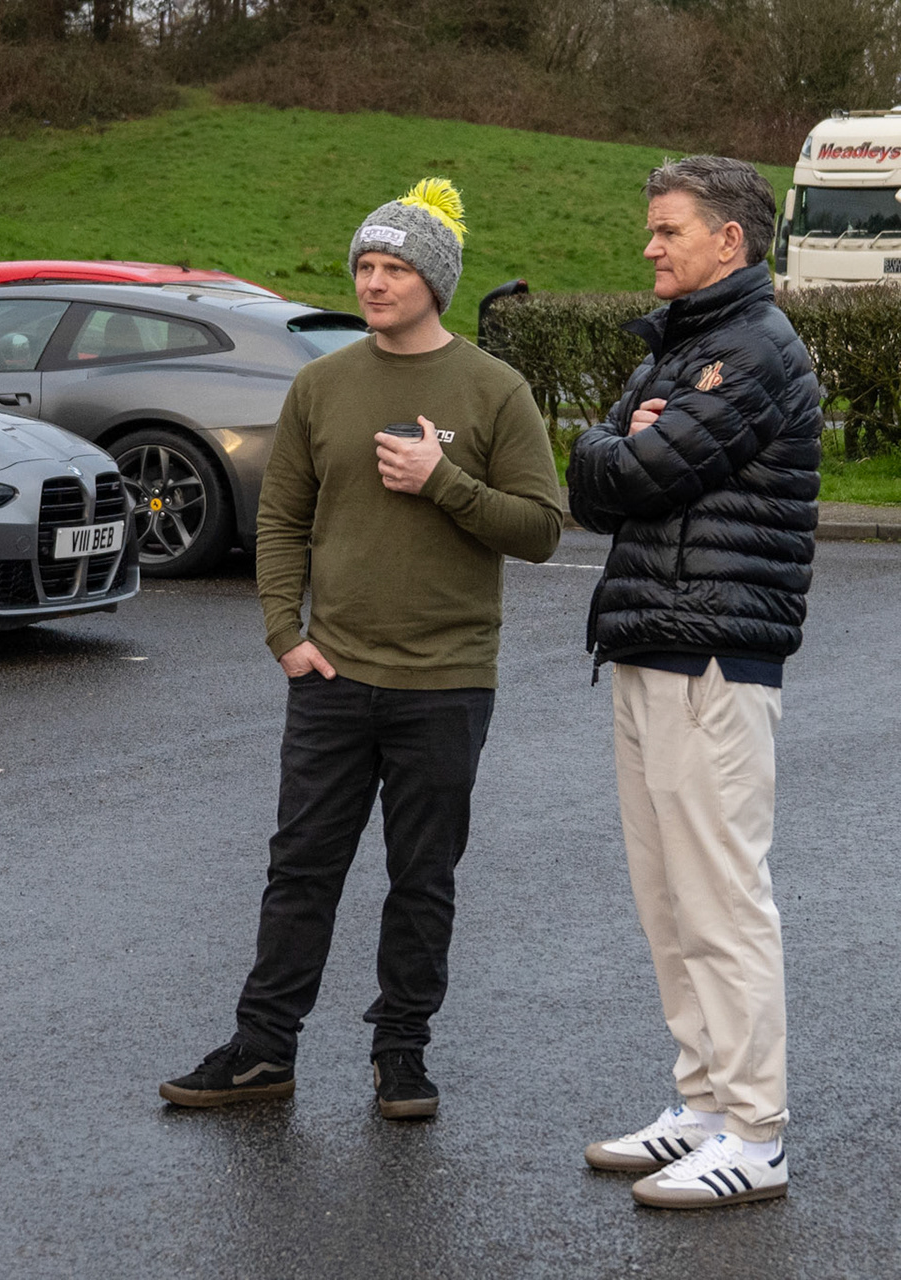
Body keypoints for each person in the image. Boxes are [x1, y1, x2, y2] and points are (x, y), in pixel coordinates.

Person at [160, 178, 563, 1118]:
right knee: (300, 870)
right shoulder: (321, 385)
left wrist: (443, 480)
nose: (374, 283)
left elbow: (543, 529)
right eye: (366, 266)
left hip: (446, 683)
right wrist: (284, 635)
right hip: (333, 676)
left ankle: (401, 1053)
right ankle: (263, 1050)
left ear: (436, 282)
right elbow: (280, 522)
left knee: (422, 879)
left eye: (394, 269)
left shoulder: (493, 389)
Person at [567, 155, 820, 1209]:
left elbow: (639, 470)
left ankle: (756, 1131)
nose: (650, 246)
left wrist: (621, 445)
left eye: (668, 229)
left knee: (720, 897)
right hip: (650, 644)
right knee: (669, 898)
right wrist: (615, 445)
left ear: (730, 240)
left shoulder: (753, 349)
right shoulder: (681, 345)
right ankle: (704, 1104)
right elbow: (592, 480)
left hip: (712, 655)